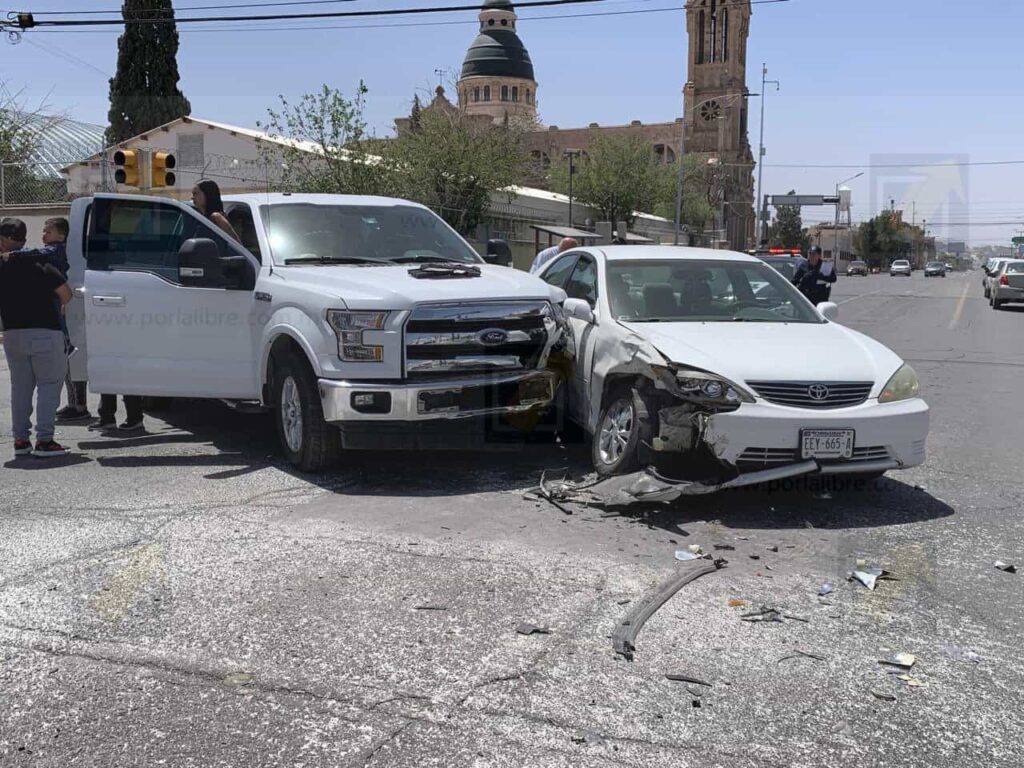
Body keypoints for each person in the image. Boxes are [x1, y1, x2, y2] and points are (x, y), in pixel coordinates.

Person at [1, 218, 91, 422]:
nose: (43, 236)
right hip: (53, 311)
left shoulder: (53, 252)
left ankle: (75, 407)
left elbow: (41, 256)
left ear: (61, 236)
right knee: (59, 369)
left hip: (51, 313)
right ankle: (69, 410)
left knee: (36, 381)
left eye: (47, 232)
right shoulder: (46, 258)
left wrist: (12, 255)